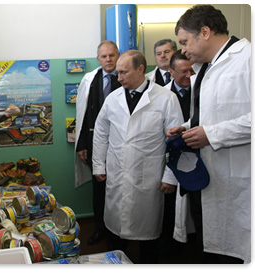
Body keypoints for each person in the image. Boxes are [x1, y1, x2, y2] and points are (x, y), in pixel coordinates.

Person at [168, 4, 251, 264]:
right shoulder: (204, 68)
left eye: (184, 42)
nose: (182, 50)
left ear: (204, 32)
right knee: (208, 247)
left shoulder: (249, 58)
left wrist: (211, 134)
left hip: (240, 179)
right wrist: (188, 125)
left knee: (237, 254)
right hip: (208, 179)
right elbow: (212, 112)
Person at [92, 50, 183, 263]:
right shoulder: (113, 98)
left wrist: (170, 176)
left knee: (147, 235)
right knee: (115, 231)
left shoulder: (166, 98)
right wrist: (98, 165)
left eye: (124, 72)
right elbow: (100, 132)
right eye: (118, 73)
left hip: (149, 177)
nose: (119, 77)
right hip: (117, 172)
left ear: (141, 69)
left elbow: (176, 141)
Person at [74, 40, 121, 245]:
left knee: (120, 188)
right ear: (98, 58)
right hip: (96, 145)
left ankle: (119, 231)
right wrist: (83, 144)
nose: (108, 59)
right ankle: (100, 228)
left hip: (122, 143)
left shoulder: (128, 76)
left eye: (112, 55)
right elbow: (82, 114)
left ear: (118, 55)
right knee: (99, 189)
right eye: (104, 56)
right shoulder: (89, 80)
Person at [158, 49, 196, 257]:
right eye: (182, 72)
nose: (188, 76)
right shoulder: (161, 96)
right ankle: (168, 250)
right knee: (170, 209)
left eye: (191, 70)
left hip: (197, 157)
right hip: (169, 161)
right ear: (171, 72)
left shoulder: (201, 92)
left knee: (193, 210)